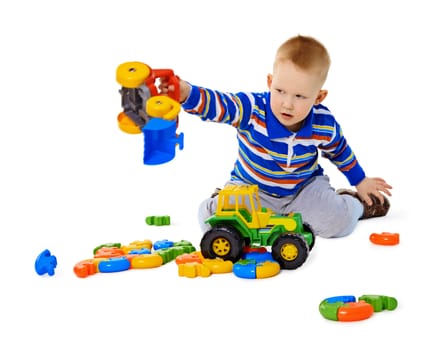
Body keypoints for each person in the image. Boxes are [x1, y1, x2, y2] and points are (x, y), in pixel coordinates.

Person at [160, 34, 392, 238]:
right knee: (208, 221)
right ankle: (223, 197)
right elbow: (220, 104)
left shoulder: (323, 123)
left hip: (304, 189)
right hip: (252, 190)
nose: (287, 104)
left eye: (300, 96)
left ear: (319, 97)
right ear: (270, 82)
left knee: (338, 224)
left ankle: (357, 205)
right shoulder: (251, 109)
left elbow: (340, 150)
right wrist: (186, 93)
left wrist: (360, 181)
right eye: (280, 91)